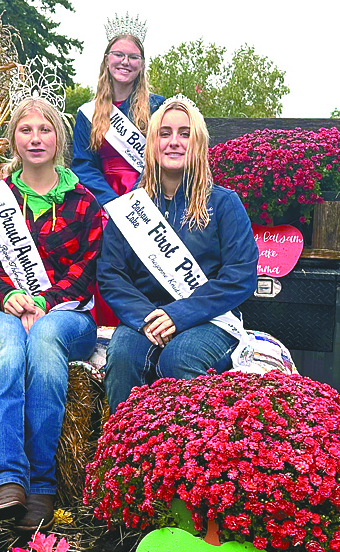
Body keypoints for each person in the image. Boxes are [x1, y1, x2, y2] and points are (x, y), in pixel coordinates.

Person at [0, 96, 103, 531]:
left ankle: (42, 483)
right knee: (8, 346)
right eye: (26, 130)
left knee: (45, 340)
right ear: (14, 138)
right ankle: (6, 481)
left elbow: (87, 268)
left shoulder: (84, 202)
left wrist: (44, 303)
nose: (35, 138)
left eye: (44, 129)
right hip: (2, 312)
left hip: (69, 315)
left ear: (59, 138)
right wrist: (8, 296)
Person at [98, 95, 258, 414]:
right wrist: (146, 318)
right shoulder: (131, 208)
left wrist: (179, 315)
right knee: (124, 356)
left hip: (210, 319)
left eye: (185, 134)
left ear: (198, 144)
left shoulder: (225, 205)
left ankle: (192, 459)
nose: (174, 142)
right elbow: (111, 274)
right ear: (153, 143)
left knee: (179, 358)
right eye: (165, 133)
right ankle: (123, 455)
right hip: (147, 317)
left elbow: (240, 276)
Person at [72, 14, 165, 207]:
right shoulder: (88, 114)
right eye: (119, 55)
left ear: (141, 65)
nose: (125, 62)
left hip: (150, 200)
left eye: (133, 57)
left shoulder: (157, 107)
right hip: (104, 205)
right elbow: (83, 165)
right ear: (107, 59)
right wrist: (113, 203)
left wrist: (135, 199)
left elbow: (162, 159)